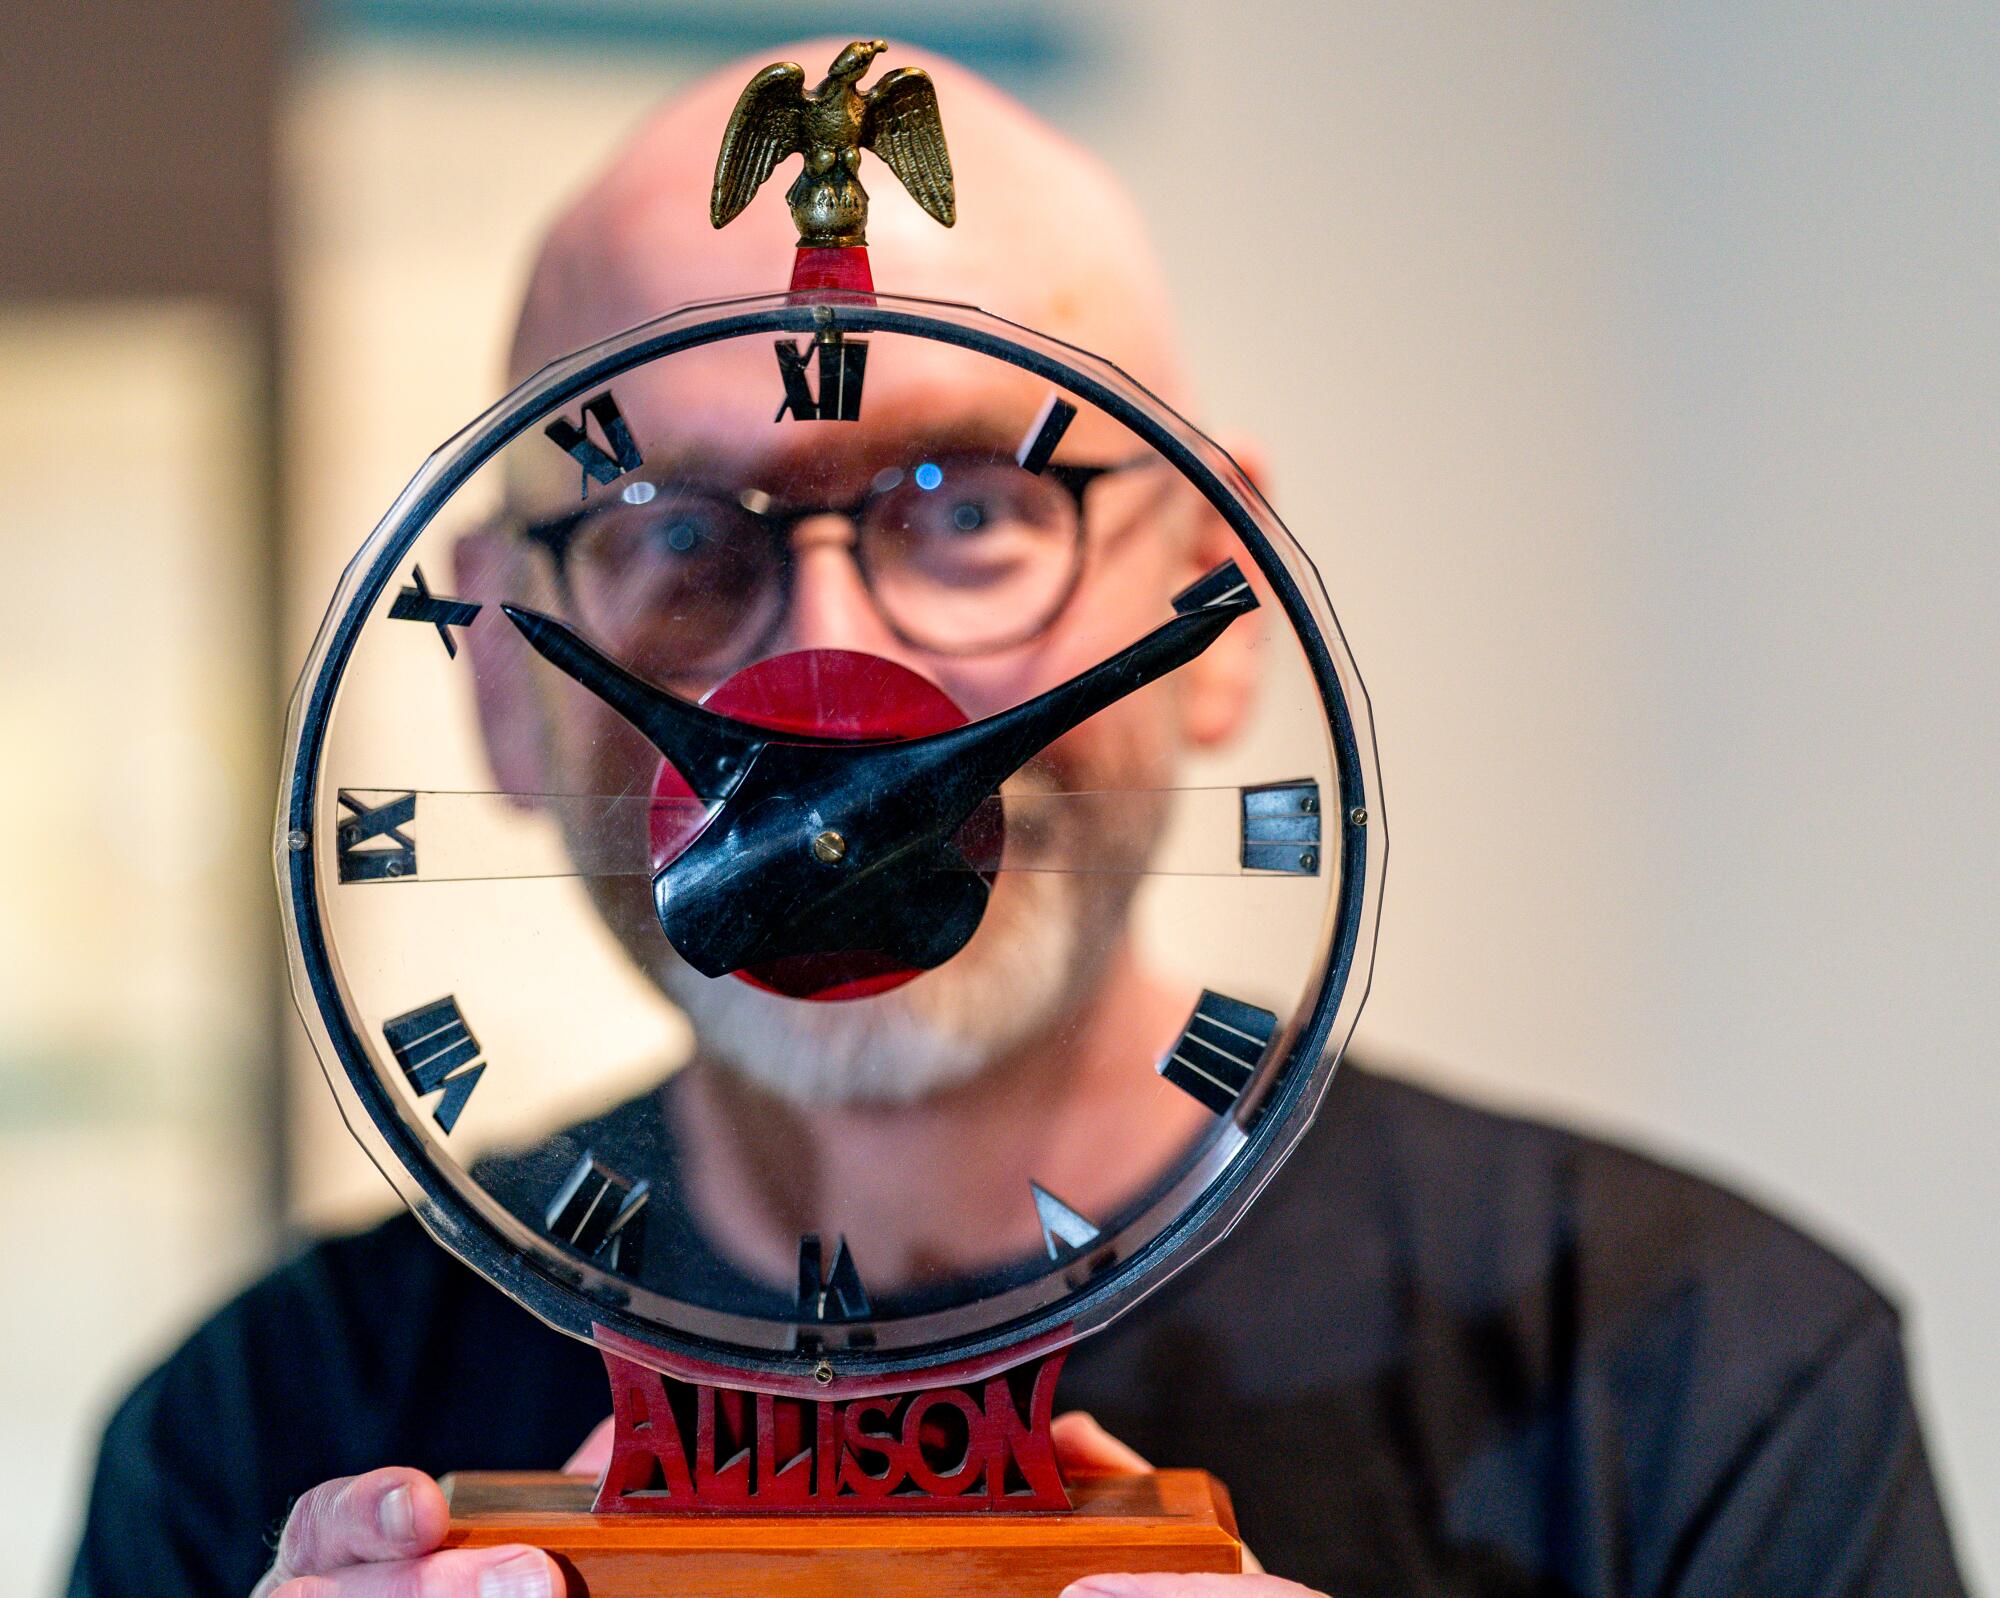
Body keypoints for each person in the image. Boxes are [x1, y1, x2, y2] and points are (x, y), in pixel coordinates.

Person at [68, 43, 1967, 1598]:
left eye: (970, 514)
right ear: (496, 665)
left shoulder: (1703, 1372)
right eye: (671, 538)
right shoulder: (254, 1436)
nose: (824, 675)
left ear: (1214, 599)